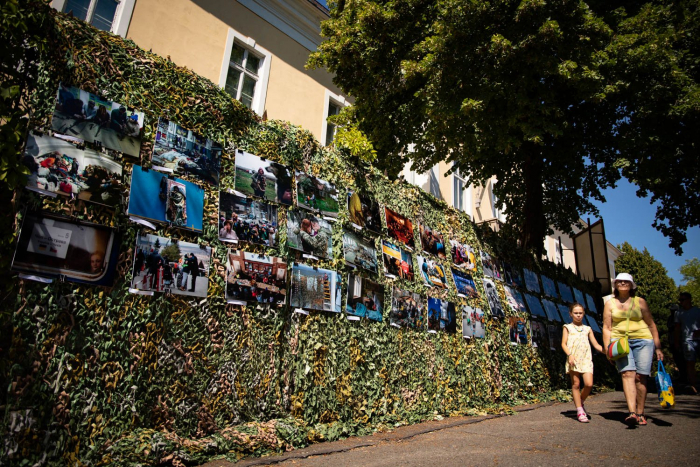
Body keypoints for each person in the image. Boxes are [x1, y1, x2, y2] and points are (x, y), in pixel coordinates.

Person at [603, 273, 664, 426]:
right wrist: (607, 349)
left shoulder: (640, 302)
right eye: (620, 281)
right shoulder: (610, 303)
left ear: (631, 285)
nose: (623, 283)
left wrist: (658, 347)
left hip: (643, 340)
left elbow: (651, 325)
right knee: (627, 374)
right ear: (615, 284)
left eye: (626, 281)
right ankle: (632, 412)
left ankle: (641, 412)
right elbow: (607, 327)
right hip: (620, 342)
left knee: (641, 377)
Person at [562, 303, 604, 422]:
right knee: (576, 384)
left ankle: (579, 402)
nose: (578, 315)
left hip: (586, 359)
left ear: (583, 314)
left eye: (580, 313)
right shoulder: (567, 327)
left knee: (589, 384)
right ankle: (580, 410)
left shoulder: (588, 329)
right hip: (573, 359)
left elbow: (596, 345)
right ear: (571, 314)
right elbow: (563, 343)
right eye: (576, 313)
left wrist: (607, 352)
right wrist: (569, 355)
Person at [675, 292, 700, 394]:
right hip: (687, 340)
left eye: (683, 300)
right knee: (690, 362)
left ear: (689, 299)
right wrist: (676, 342)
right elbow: (677, 328)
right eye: (680, 300)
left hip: (699, 339)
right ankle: (693, 386)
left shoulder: (697, 311)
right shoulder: (679, 313)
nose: (681, 302)